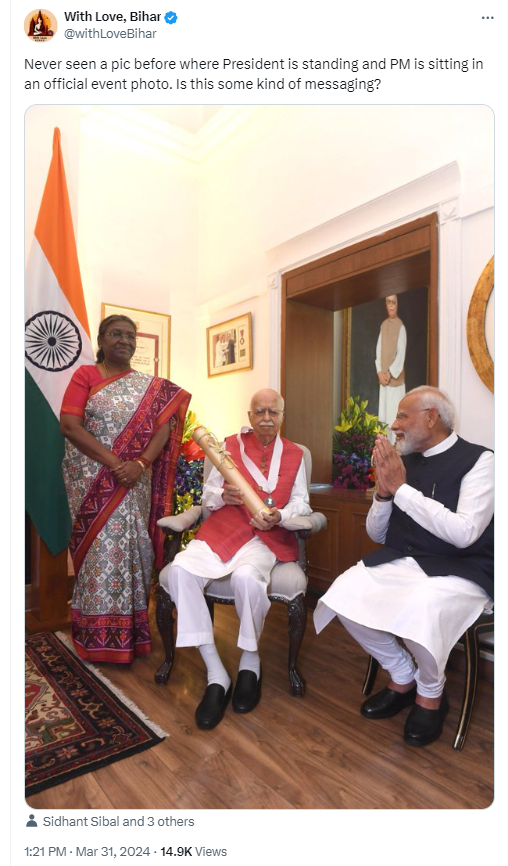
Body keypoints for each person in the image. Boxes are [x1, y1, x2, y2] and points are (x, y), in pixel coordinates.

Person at [314, 386, 493, 747]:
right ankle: (402, 674)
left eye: (402, 416)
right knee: (344, 591)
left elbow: (464, 534)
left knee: (423, 604)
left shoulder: (481, 461)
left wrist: (401, 489)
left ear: (432, 417)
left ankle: (430, 693)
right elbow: (377, 534)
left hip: (463, 569)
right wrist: (383, 493)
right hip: (406, 562)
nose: (394, 425)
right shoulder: (402, 463)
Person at [159, 388, 312, 729]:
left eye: (273, 411)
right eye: (260, 411)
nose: (267, 418)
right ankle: (216, 673)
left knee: (246, 578)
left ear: (282, 415)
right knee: (180, 570)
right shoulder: (228, 446)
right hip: (223, 529)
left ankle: (250, 662)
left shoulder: (295, 454)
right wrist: (222, 495)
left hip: (264, 536)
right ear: (250, 416)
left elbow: (301, 502)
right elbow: (208, 495)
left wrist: (282, 515)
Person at [60, 315, 190, 663]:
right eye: (116, 334)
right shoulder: (85, 376)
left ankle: (131, 634)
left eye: (130, 336)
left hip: (134, 484)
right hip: (94, 484)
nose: (124, 340)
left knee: (134, 551)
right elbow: (70, 426)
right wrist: (117, 464)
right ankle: (95, 635)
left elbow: (163, 427)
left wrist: (141, 464)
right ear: (101, 340)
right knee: (100, 554)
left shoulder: (149, 385)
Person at [376, 294, 407, 441]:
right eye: (388, 302)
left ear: (397, 304)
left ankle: (395, 446)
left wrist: (390, 373)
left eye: (393, 302)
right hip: (384, 381)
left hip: (395, 382)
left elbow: (401, 354)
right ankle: (385, 445)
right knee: (384, 418)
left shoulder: (401, 327)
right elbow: (378, 351)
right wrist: (379, 372)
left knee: (394, 417)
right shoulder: (383, 325)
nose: (391, 305)